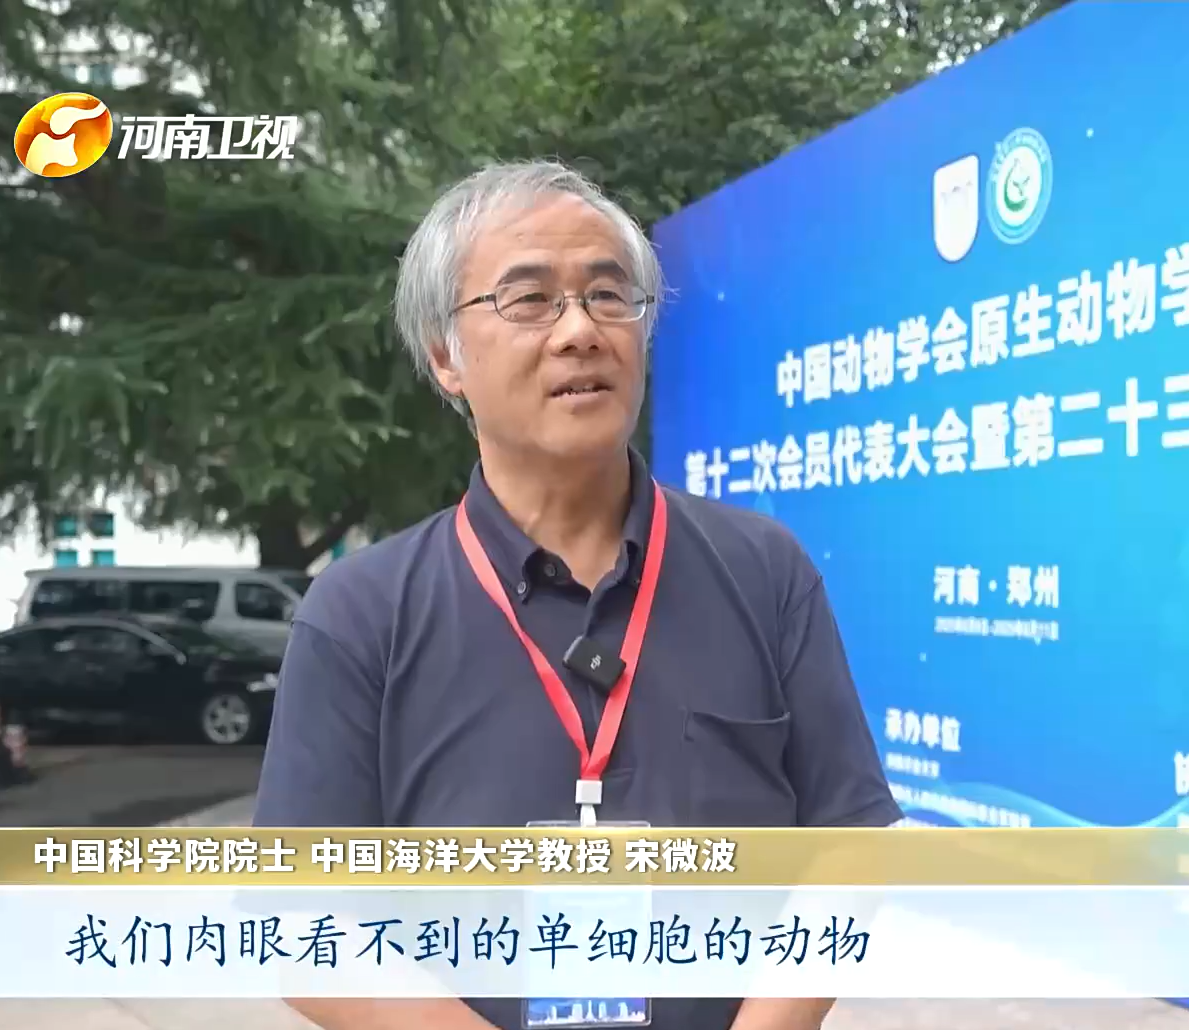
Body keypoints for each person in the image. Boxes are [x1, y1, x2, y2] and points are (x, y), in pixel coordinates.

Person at [253, 159, 902, 1030]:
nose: (579, 331)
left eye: (607, 295)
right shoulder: (360, 613)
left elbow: (847, 844)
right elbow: (302, 923)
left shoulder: (764, 571)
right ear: (445, 356)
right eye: (528, 300)